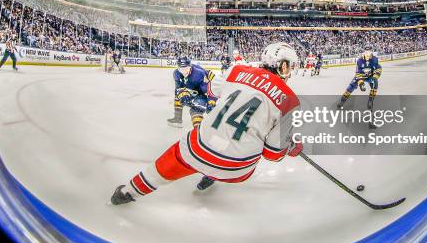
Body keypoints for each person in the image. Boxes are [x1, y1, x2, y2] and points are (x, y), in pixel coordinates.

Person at [110, 42, 302, 205]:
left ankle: (128, 192)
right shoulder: (291, 102)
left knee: (178, 155)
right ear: (283, 66)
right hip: (238, 169)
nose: (291, 71)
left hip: (200, 149)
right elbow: (272, 154)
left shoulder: (238, 69)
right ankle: (212, 174)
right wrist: (289, 146)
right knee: (234, 147)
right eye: (291, 66)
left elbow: (211, 91)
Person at [167, 56, 217, 127]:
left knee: (196, 108)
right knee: (178, 98)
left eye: (186, 68)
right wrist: (182, 95)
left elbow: (209, 91)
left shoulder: (199, 74)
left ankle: (198, 129)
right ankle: (178, 119)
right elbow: (178, 89)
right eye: (181, 69)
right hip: (193, 87)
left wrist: (211, 102)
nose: (183, 71)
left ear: (190, 67)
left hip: (204, 88)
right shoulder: (176, 73)